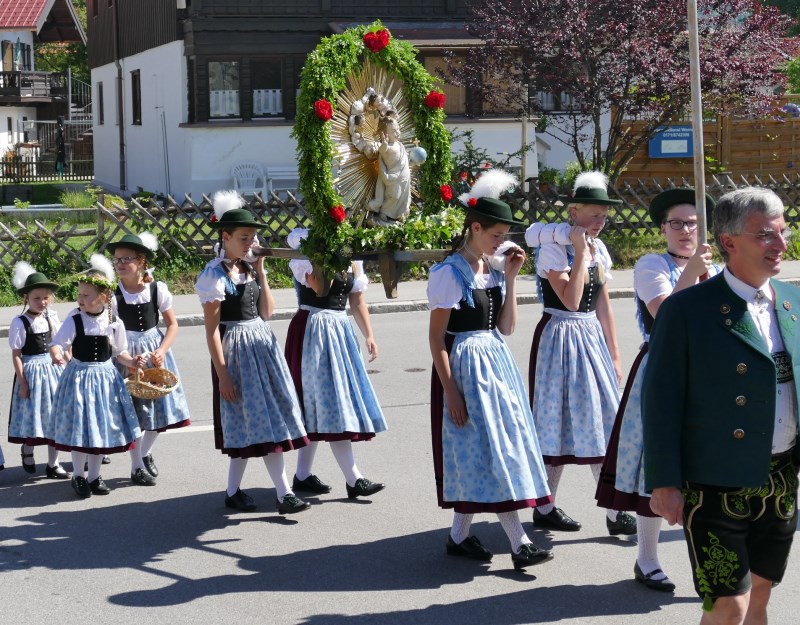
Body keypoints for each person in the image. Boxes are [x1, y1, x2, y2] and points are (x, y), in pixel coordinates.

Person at [643, 187, 800, 624]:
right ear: (729, 242)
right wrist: (664, 481)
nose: (781, 246)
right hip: (714, 481)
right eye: (766, 235)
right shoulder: (688, 309)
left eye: (783, 233)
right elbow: (661, 400)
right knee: (727, 606)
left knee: (762, 593)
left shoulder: (793, 301)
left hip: (782, 477)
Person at [595, 188, 717, 592]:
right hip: (663, 372)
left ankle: (713, 562)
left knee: (706, 472)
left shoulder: (718, 269)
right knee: (657, 468)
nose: (686, 231)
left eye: (693, 223)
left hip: (708, 375)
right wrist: (690, 272)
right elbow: (665, 315)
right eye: (677, 223)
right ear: (663, 229)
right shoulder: (652, 265)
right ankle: (646, 559)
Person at [429, 195, 553, 570]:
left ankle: (458, 537)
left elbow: (507, 328)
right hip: (465, 370)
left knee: (490, 452)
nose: (501, 242)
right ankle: (520, 543)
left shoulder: (492, 271)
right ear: (475, 228)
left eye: (504, 236)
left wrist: (511, 280)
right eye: (495, 235)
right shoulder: (449, 274)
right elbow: (436, 339)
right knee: (494, 453)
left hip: (497, 367)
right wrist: (451, 392)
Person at [526, 171, 635, 536]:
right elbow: (571, 301)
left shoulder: (598, 249)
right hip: (560, 334)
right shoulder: (554, 248)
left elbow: (602, 303)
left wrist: (615, 354)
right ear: (573, 212)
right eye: (593, 215)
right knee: (557, 422)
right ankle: (545, 504)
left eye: (604, 216)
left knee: (603, 420)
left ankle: (612, 507)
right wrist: (579, 253)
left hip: (590, 335)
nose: (600, 222)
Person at [196, 190, 310, 515]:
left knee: (262, 421)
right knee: (254, 424)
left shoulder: (247, 270)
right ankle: (281, 492)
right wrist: (223, 376)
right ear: (225, 237)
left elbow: (267, 312)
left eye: (252, 237)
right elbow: (212, 331)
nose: (250, 243)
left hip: (262, 346)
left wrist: (260, 271)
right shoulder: (213, 275)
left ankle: (247, 492)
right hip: (237, 352)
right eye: (244, 238)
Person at [284, 228, 387, 500]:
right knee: (329, 404)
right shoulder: (305, 252)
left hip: (339, 330)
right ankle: (354, 479)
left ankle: (303, 475)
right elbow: (319, 287)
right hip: (313, 328)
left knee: (322, 405)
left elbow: (357, 300)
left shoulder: (351, 257)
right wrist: (322, 254)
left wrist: (369, 335)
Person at [49, 255, 145, 498]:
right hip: (80, 377)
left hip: (105, 380)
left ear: (104, 297)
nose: (80, 299)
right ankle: (79, 476)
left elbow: (119, 352)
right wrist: (57, 353)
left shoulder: (113, 321)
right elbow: (58, 342)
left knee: (99, 428)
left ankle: (94, 476)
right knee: (82, 428)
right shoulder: (74, 318)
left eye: (86, 295)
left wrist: (132, 362)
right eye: (79, 295)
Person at [108, 232, 191, 486]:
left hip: (154, 350)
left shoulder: (157, 288)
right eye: (117, 259)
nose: (120, 264)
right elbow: (109, 334)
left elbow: (173, 324)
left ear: (142, 261)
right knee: (132, 413)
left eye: (127, 259)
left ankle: (144, 454)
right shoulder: (112, 296)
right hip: (127, 354)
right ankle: (136, 466)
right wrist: (126, 358)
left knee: (157, 409)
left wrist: (163, 349)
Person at [8, 262, 68, 479]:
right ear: (26, 298)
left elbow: (61, 344)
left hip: (53, 370)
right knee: (33, 417)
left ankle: (53, 463)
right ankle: (28, 448)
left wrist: (69, 364)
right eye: (36, 298)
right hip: (32, 372)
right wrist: (23, 383)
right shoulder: (20, 322)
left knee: (56, 417)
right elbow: (16, 354)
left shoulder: (52, 317)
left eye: (45, 297)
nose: (42, 302)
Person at [367, 115, 411, 224]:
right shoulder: (386, 147)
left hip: (404, 178)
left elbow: (404, 160)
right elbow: (382, 150)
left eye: (398, 129)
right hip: (392, 179)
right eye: (394, 131)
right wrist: (384, 144)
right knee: (394, 196)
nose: (397, 133)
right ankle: (385, 212)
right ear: (385, 134)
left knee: (403, 197)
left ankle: (399, 214)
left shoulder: (400, 145)